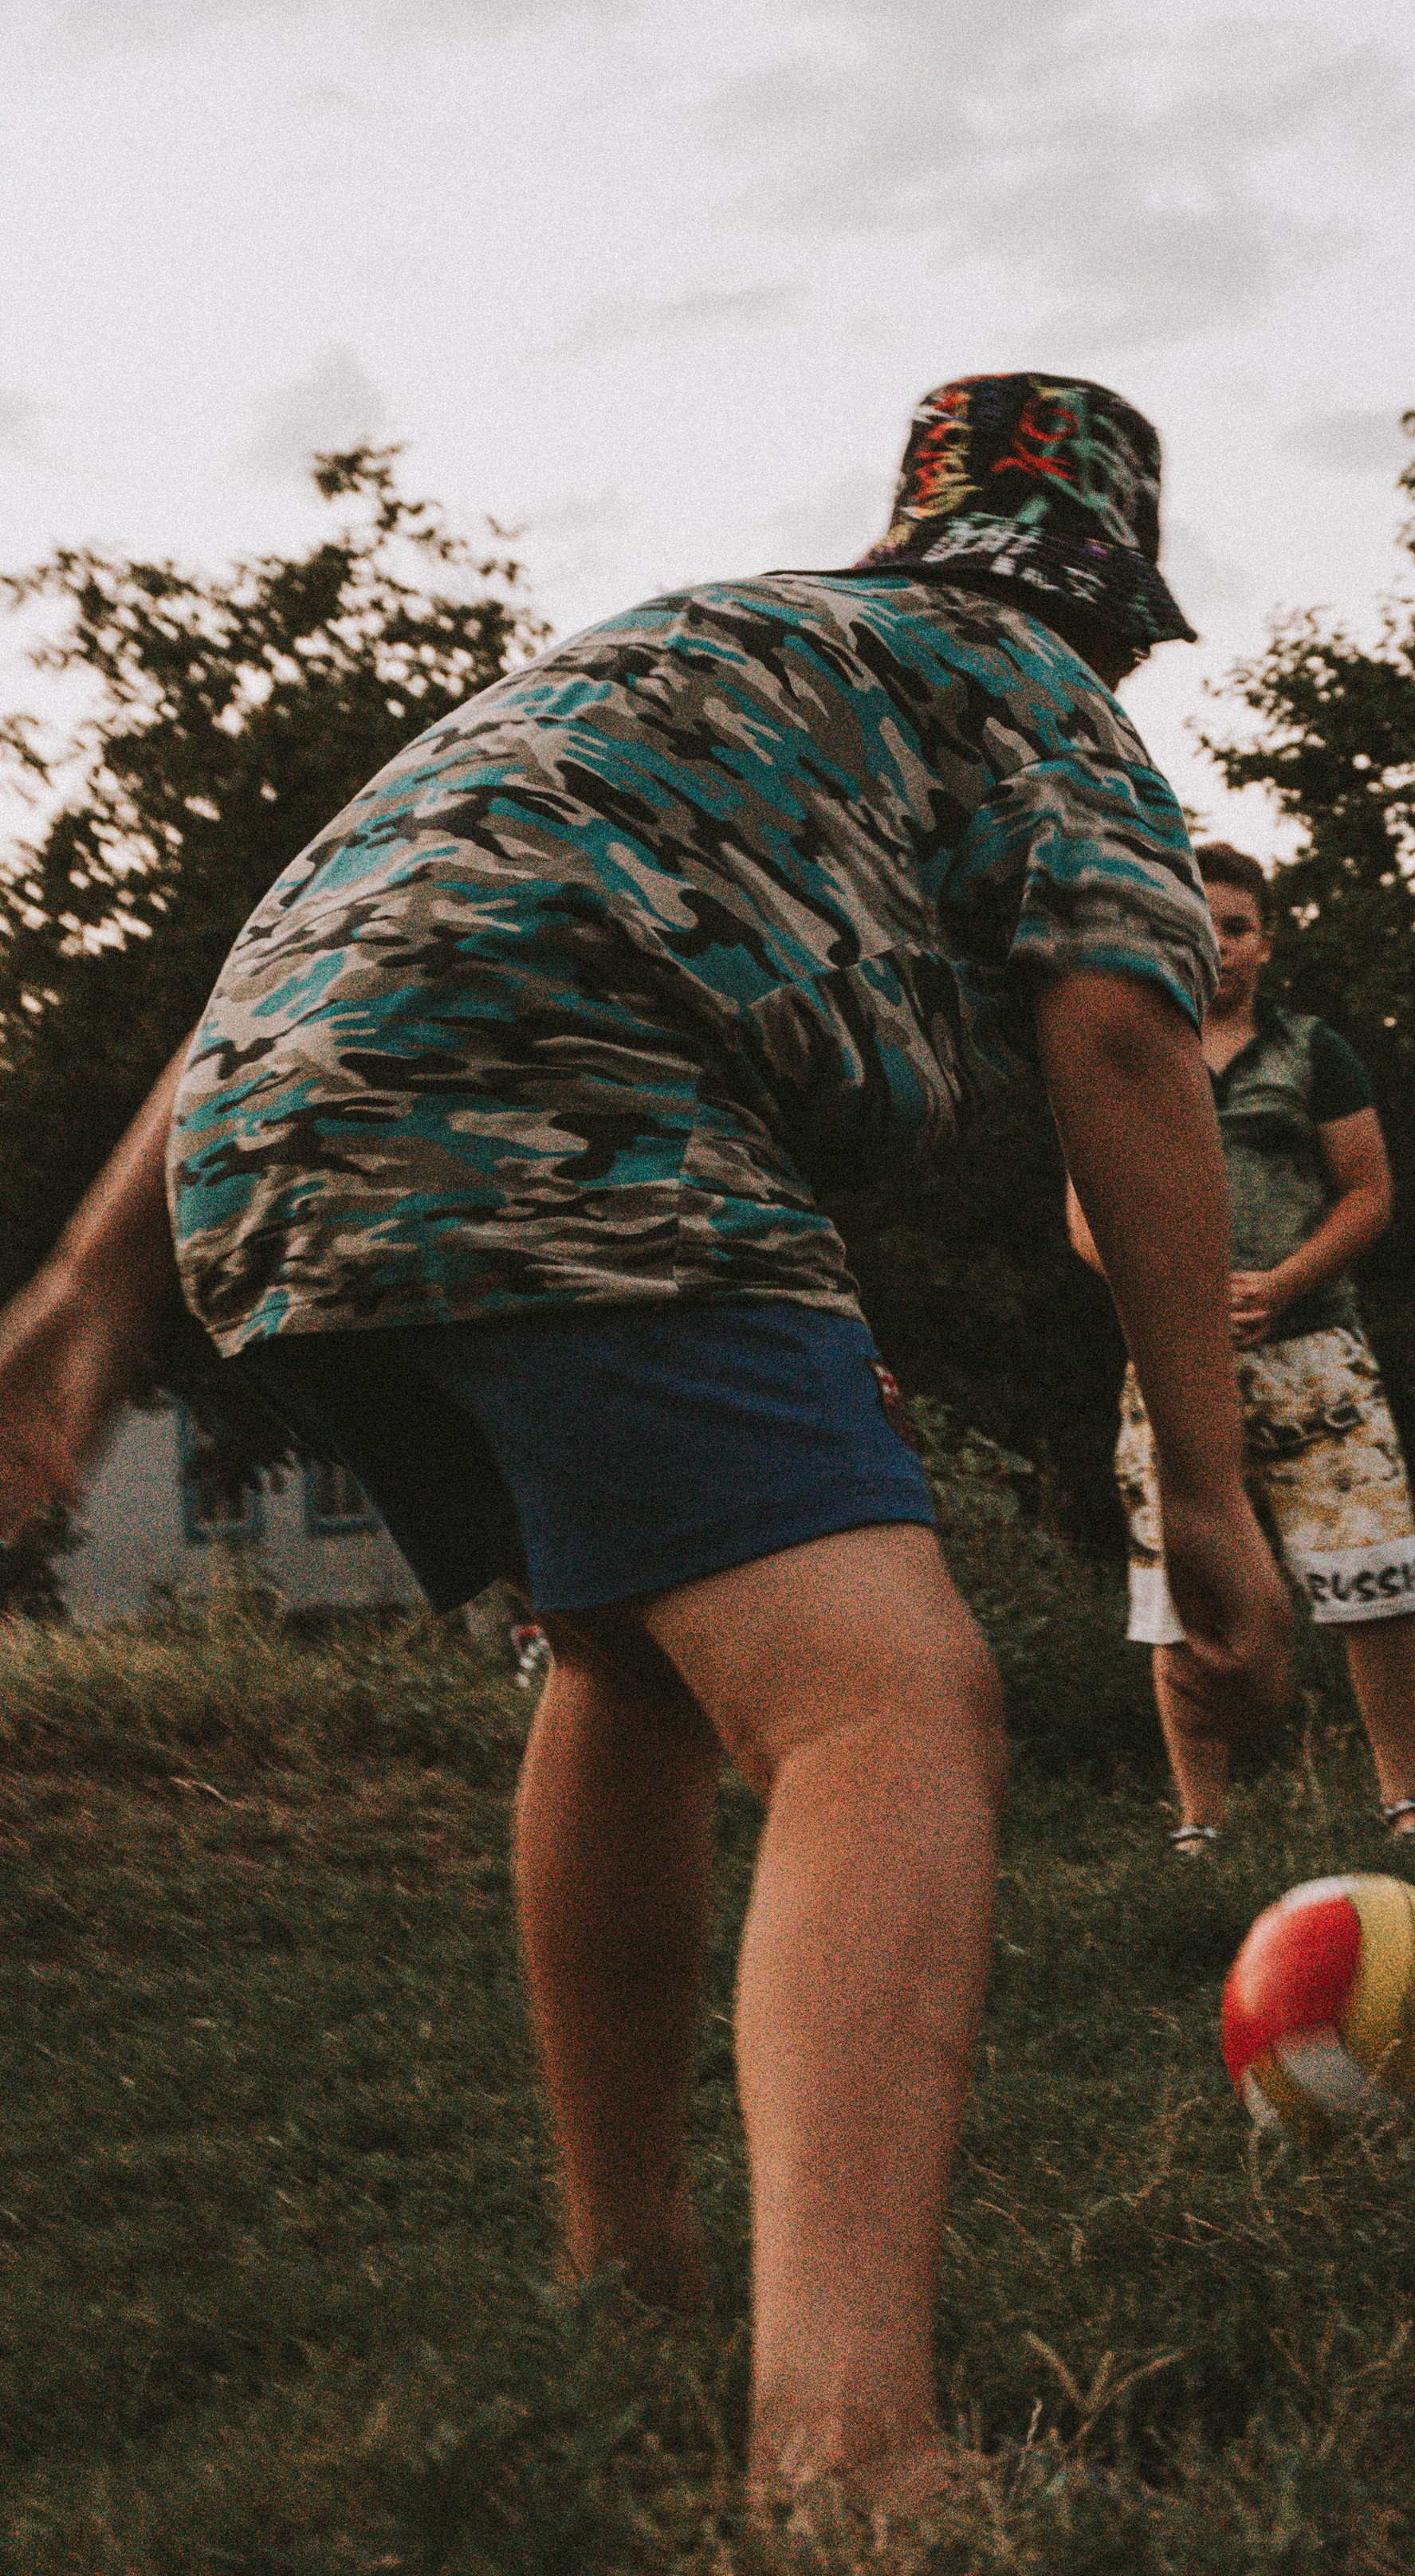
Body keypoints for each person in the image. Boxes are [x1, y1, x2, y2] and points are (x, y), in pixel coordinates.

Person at [0, 372, 1292, 2523]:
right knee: (890, 1703)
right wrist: (1211, 1480)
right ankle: (854, 2457)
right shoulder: (1035, 685)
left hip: (272, 1153)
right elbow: (1123, 1032)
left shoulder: (687, 649)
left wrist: (90, 1289)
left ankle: (637, 2280)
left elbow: (314, 931)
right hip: (580, 1095)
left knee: (623, 1659)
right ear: (1113, 607)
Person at [1070, 842, 1415, 1848]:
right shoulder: (1125, 1046)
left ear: (1266, 942)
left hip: (1317, 1349)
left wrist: (1284, 1282)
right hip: (1172, 1362)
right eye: (1198, 921)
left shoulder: (1315, 1051)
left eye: (1236, 926)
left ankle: (1402, 1797)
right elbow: (1083, 1213)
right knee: (1178, 1592)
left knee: (1373, 1577)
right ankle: (1201, 1821)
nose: (1218, 942)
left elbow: (1368, 1191)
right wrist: (1178, 1296)